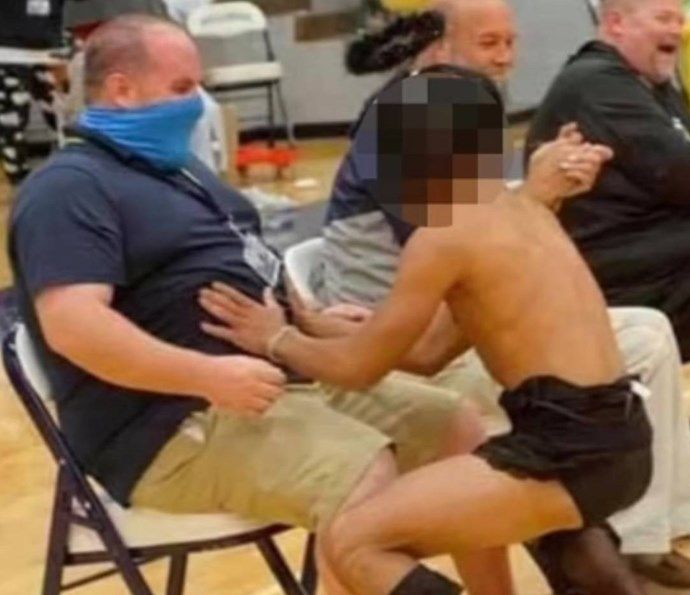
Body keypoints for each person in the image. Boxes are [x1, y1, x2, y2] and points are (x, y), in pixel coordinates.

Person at [9, 16, 514, 595]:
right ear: (122, 89)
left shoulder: (178, 170)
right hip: (171, 425)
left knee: (459, 430)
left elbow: (249, 259)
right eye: (182, 87)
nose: (197, 103)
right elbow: (73, 327)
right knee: (362, 475)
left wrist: (309, 321)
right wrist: (206, 376)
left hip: (274, 382)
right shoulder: (68, 188)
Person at [317, 1, 690, 593]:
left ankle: (645, 543)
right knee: (629, 352)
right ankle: (609, 546)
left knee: (648, 331)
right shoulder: (405, 124)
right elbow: (464, 249)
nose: (505, 57)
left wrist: (549, 186)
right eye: (488, 43)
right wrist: (538, 193)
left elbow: (480, 240)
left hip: (457, 323)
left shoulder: (459, 112)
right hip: (401, 328)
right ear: (440, 48)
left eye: (510, 42)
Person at [195, 67, 656, 595]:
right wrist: (315, 325)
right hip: (617, 438)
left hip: (569, 451)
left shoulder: (443, 235)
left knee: (354, 542)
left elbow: (358, 371)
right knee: (436, 507)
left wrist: (275, 339)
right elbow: (430, 353)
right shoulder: (527, 209)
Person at [526, 0, 690, 418]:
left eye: (679, 19)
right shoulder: (596, 83)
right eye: (663, 18)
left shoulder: (650, 84)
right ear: (616, 23)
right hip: (643, 282)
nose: (676, 30)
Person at [0, 0, 65, 185]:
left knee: (66, 116)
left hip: (51, 49)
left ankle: (73, 173)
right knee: (11, 123)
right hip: (7, 51)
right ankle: (19, 181)